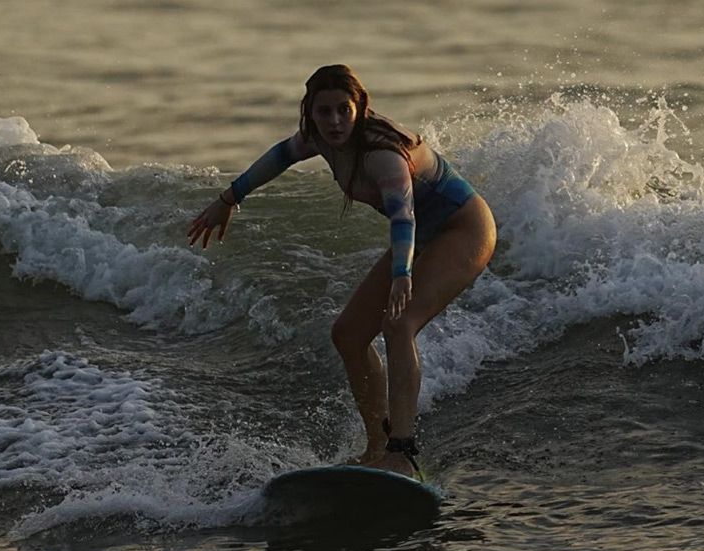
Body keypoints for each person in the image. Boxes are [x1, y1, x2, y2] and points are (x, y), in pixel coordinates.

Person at [187, 64, 496, 478]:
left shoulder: (384, 154)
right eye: (324, 112)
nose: (334, 121)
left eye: (343, 111)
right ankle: (377, 447)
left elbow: (403, 217)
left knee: (399, 324)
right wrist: (229, 198)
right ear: (310, 113)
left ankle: (402, 453)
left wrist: (403, 274)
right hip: (421, 237)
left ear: (360, 108)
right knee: (348, 335)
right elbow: (280, 156)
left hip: (463, 227)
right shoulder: (319, 138)